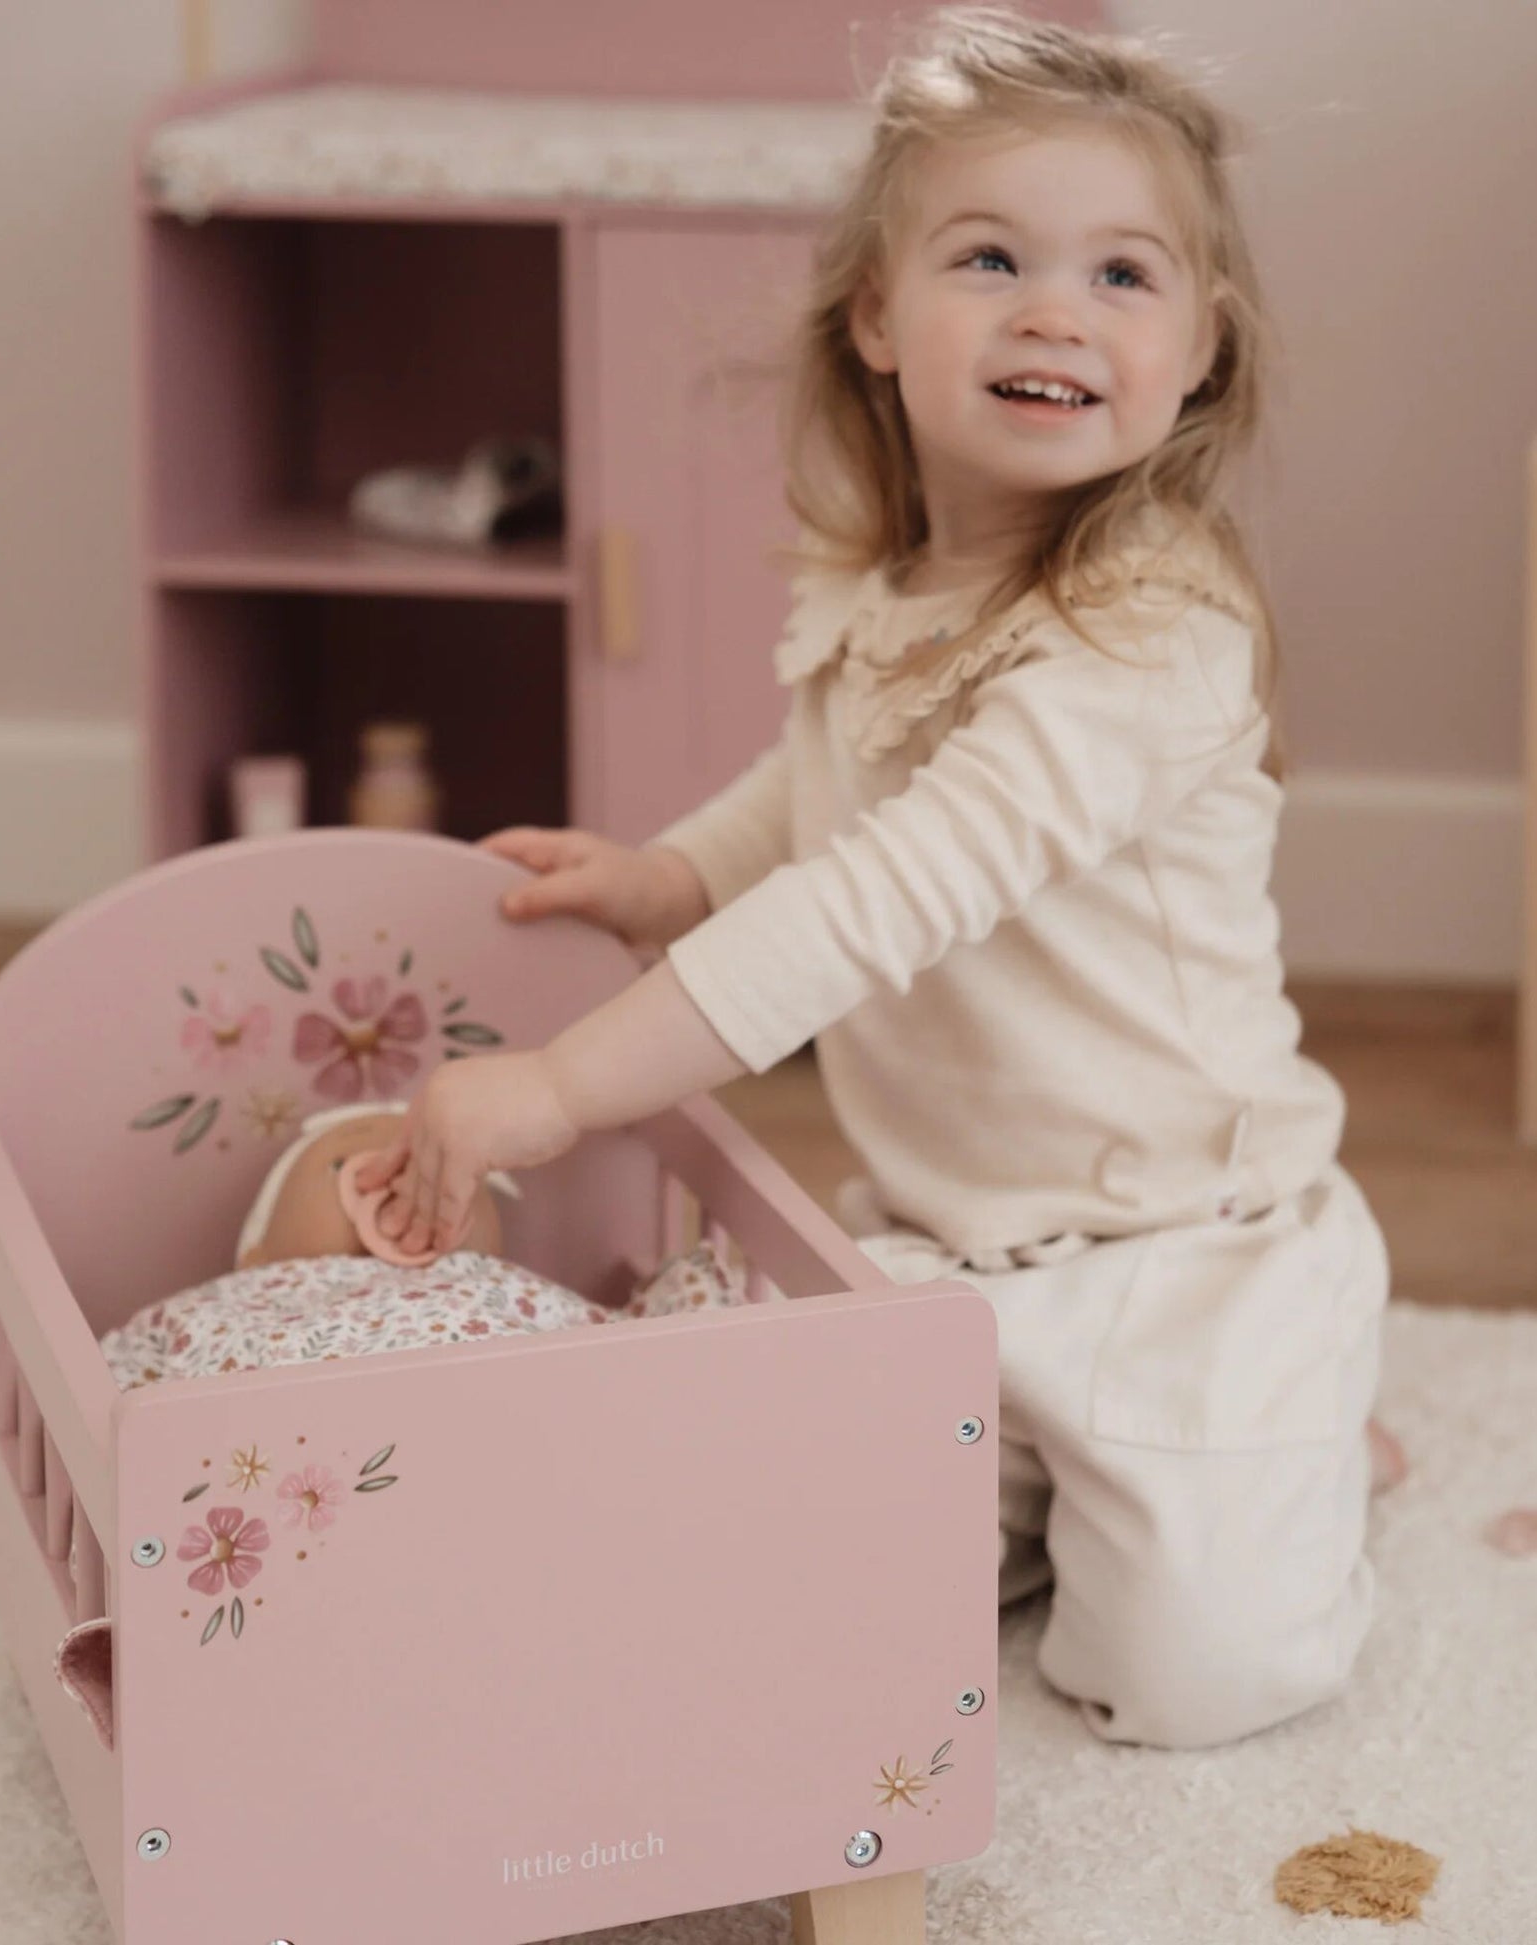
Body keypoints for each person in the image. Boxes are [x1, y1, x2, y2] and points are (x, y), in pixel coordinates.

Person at [354, 4, 1389, 1752]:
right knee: (775, 1552)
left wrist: (559, 1083)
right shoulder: (885, 580)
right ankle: (1092, 1483)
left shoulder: (1145, 636)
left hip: (1183, 1254)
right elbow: (818, 788)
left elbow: (875, 897)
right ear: (877, 318)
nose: (1055, 309)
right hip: (948, 1244)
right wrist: (664, 875)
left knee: (1193, 1678)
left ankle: (1296, 1448)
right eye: (989, 257)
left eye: (1123, 277)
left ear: (1202, 347)